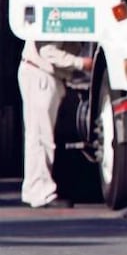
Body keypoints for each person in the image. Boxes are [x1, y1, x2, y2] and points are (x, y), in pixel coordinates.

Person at [18, 40, 91, 209]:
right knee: (41, 138)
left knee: (37, 137)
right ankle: (41, 192)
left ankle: (34, 189)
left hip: (40, 73)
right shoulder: (56, 18)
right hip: (41, 73)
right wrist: (81, 63)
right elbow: (48, 51)